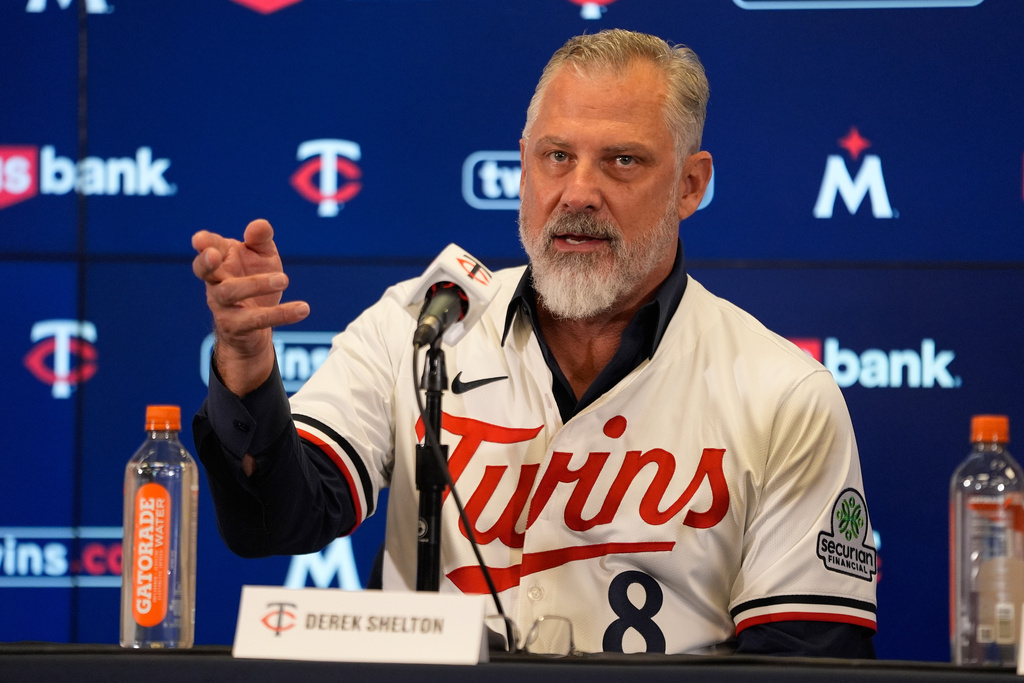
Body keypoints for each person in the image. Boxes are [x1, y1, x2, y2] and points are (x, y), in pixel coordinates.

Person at [191, 29, 877, 657]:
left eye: (622, 161)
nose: (579, 192)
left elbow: (807, 663)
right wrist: (248, 371)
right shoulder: (417, 323)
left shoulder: (784, 393)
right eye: (557, 157)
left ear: (690, 184)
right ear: (524, 167)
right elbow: (273, 523)